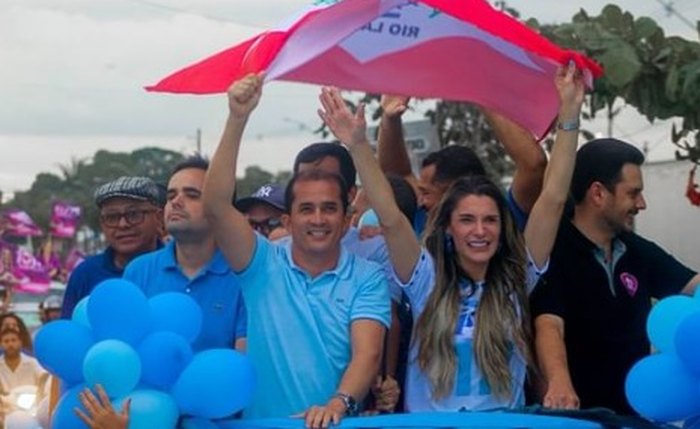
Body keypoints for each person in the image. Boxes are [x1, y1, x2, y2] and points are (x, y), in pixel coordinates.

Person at [318, 62, 584, 411]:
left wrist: (569, 113)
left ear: (502, 228)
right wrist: (357, 145)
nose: (479, 230)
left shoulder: (517, 277)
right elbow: (392, 217)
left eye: (490, 220)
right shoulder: (425, 276)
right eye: (467, 220)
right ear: (447, 225)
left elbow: (552, 199)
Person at [203, 74, 390, 428]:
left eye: (329, 208)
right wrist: (237, 118)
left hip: (334, 424)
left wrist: (337, 403)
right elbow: (214, 205)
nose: (318, 219)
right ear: (287, 222)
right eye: (306, 209)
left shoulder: (368, 276)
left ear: (346, 215)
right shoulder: (261, 263)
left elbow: (368, 354)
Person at [530, 139, 700, 415]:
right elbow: (549, 325)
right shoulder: (554, 252)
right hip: (576, 417)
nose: (641, 204)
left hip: (636, 417)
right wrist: (559, 382)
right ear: (598, 193)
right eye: (633, 193)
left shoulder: (639, 251)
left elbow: (694, 286)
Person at [123, 156, 247, 352]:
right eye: (171, 196)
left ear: (222, 208)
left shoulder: (243, 277)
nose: (177, 202)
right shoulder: (138, 271)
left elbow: (242, 362)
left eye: (192, 195)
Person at [376, 94, 547, 234]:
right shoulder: (424, 218)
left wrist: (482, 93)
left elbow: (534, 165)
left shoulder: (504, 219)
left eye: (426, 192)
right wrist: (390, 118)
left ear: (456, 192)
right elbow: (397, 175)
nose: (419, 201)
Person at [61, 176, 164, 319]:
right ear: (102, 224)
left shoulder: (177, 269)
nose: (123, 224)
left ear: (159, 218)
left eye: (134, 214)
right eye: (112, 217)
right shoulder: (85, 274)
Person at [0, 328, 48, 416]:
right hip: (5, 410)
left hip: (31, 407)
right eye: (6, 341)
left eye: (13, 340)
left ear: (20, 342)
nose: (10, 344)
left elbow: (44, 375)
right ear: (1, 344)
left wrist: (40, 393)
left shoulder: (32, 362)